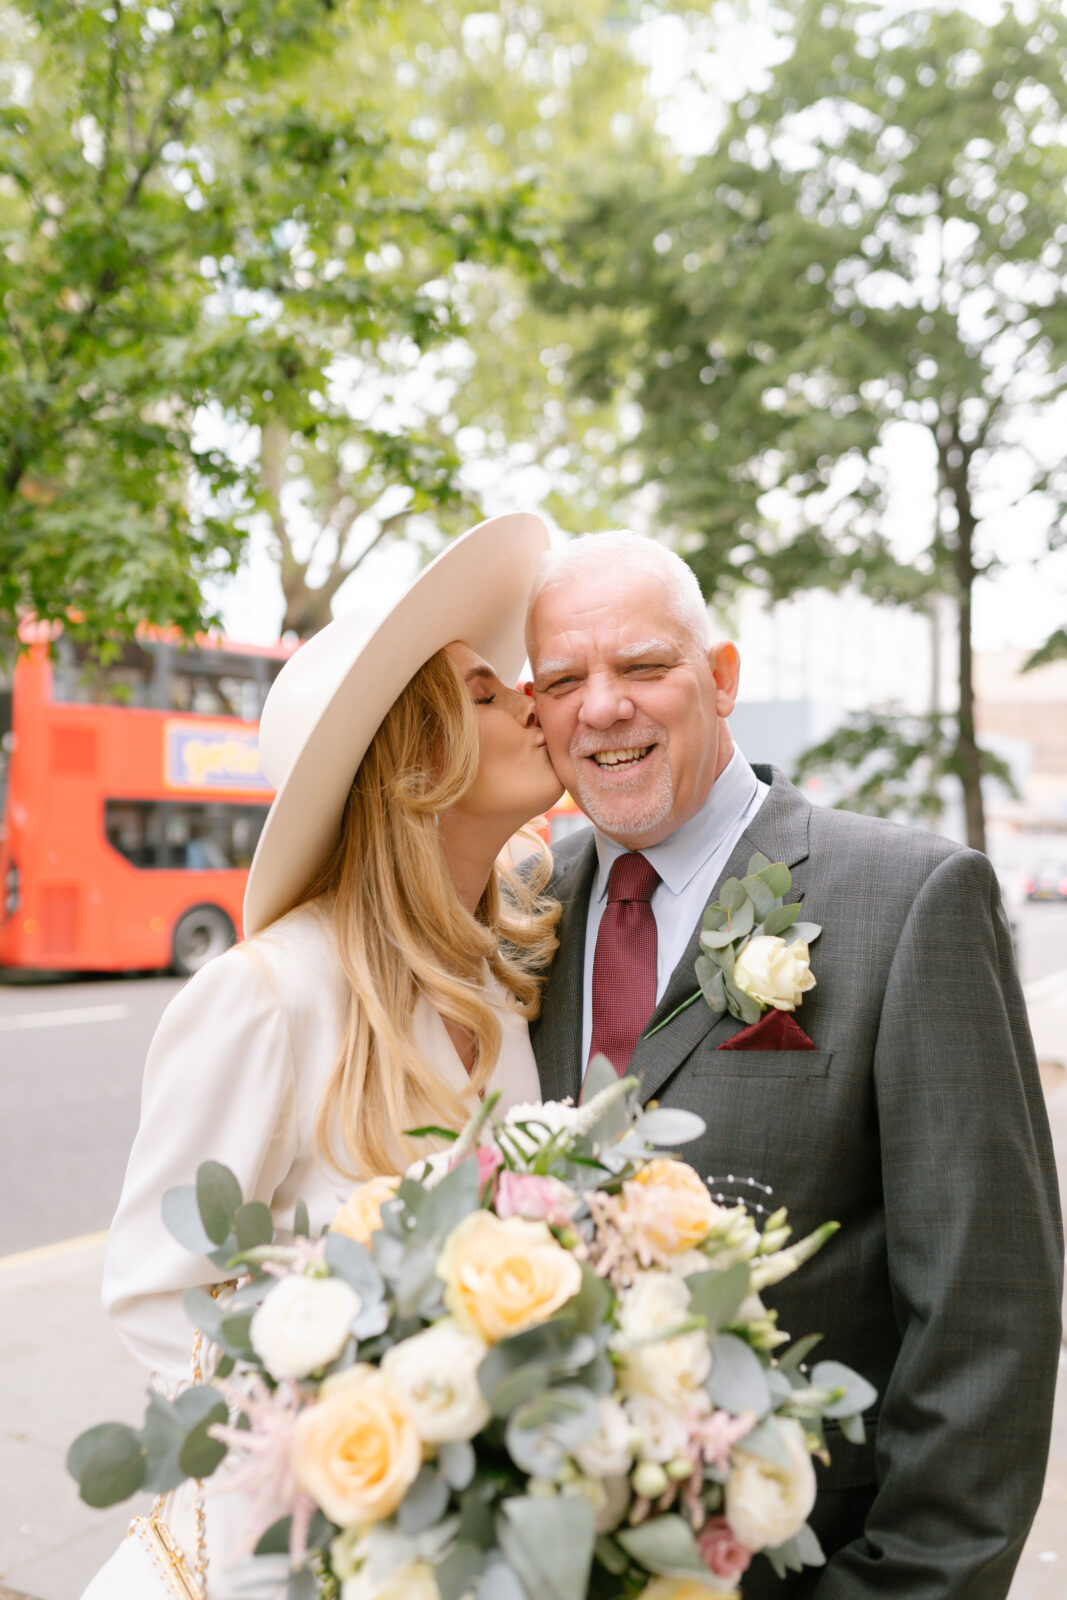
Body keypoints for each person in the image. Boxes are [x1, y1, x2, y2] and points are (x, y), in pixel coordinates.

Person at [524, 530, 1063, 1600]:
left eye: (641, 666)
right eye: (561, 681)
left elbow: (984, 1318)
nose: (601, 707)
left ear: (720, 679)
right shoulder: (517, 909)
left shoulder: (909, 899)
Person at [89, 513, 563, 1599]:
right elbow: (157, 1297)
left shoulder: (501, 979)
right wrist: (338, 1454)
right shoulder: (263, 998)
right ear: (418, 762)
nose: (533, 699)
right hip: (287, 1552)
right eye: (487, 695)